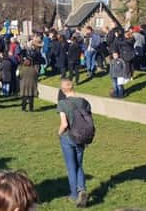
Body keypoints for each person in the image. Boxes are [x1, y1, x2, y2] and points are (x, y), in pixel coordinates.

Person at [57, 79, 90, 207]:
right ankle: (82, 189)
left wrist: (58, 134)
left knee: (71, 167)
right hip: (82, 137)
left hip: (68, 138)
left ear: (63, 90)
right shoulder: (84, 102)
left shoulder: (62, 103)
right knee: (79, 165)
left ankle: (74, 195)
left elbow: (64, 124)